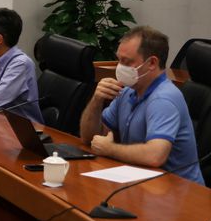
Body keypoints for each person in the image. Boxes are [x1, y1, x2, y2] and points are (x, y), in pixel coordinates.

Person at [79, 26, 204, 184]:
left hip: (182, 193)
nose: (120, 67)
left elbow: (155, 156)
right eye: (119, 60)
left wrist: (110, 149)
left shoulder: (163, 98)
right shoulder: (127, 91)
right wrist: (96, 101)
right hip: (143, 182)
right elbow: (89, 137)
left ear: (151, 63)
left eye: (127, 62)